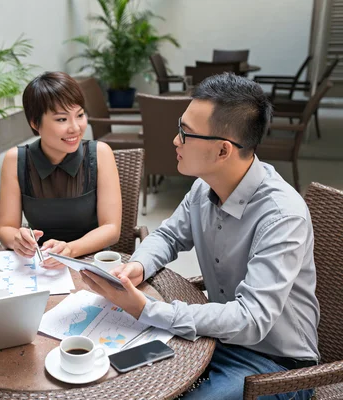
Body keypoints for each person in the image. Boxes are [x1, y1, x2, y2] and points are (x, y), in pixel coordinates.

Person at [81, 73, 319, 400]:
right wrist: (138, 266)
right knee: (115, 377)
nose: (175, 141)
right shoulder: (204, 187)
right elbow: (167, 236)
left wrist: (147, 309)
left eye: (186, 133)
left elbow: (251, 319)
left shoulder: (282, 216)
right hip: (215, 340)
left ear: (223, 151)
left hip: (275, 364)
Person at [0, 71, 122, 268]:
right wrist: (18, 239)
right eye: (62, 119)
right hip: (39, 262)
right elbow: (6, 228)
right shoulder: (16, 160)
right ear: (35, 123)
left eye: (80, 115)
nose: (75, 128)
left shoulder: (100, 154)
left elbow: (111, 228)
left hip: (89, 260)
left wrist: (70, 250)